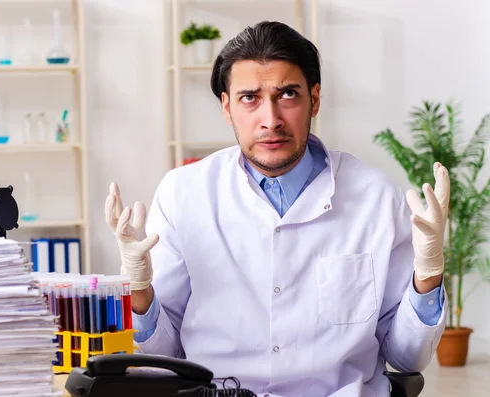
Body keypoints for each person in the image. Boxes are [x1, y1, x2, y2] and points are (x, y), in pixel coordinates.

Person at [104, 21, 448, 397]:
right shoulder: (183, 193)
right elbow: (162, 357)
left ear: (314, 99)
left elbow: (407, 358)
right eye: (249, 98)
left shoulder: (377, 199)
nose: (271, 119)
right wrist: (138, 289)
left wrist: (427, 274)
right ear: (227, 107)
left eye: (287, 94)